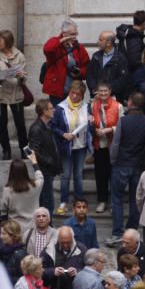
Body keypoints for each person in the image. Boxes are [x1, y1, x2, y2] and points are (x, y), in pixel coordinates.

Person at [110, 92, 145, 239]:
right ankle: (132, 230)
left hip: (121, 163)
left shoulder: (124, 121)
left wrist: (113, 160)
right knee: (136, 200)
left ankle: (117, 232)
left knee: (117, 199)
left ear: (130, 103)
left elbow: (115, 144)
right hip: (138, 165)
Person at [0, 29, 28, 160]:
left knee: (20, 124)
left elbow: (23, 76)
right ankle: (6, 150)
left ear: (7, 40)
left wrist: (22, 76)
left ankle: (24, 149)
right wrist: (13, 73)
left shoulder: (19, 55)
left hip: (16, 94)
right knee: (2, 124)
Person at [52, 81, 90, 217]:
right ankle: (63, 201)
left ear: (82, 96)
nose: (74, 96)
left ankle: (79, 201)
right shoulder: (60, 108)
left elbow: (89, 124)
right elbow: (53, 126)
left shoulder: (86, 107)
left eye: (77, 94)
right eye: (72, 93)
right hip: (66, 146)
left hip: (81, 146)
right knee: (66, 175)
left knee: (79, 175)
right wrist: (63, 134)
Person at [89, 82, 121, 214]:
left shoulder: (118, 106)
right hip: (99, 145)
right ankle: (102, 201)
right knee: (100, 175)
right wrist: (94, 129)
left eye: (105, 91)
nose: (103, 94)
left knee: (114, 175)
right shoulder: (92, 106)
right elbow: (89, 123)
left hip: (113, 145)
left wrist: (109, 130)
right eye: (100, 91)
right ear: (97, 92)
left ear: (110, 91)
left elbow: (121, 126)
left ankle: (114, 202)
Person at [42, 19, 89, 106]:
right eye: (72, 34)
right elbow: (47, 49)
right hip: (57, 91)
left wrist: (79, 72)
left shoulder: (79, 48)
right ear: (64, 34)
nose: (75, 36)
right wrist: (61, 41)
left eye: (76, 33)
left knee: (74, 116)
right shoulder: (55, 43)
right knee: (58, 115)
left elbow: (87, 67)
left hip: (74, 91)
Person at [27, 99, 61, 213]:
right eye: (51, 108)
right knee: (47, 202)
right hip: (44, 170)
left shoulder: (46, 125)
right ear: (44, 111)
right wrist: (49, 161)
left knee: (45, 200)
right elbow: (33, 151)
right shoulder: (37, 128)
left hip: (48, 170)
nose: (54, 110)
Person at [0, 158, 43, 228]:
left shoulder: (7, 190)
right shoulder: (35, 186)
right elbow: (40, 177)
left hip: (14, 228)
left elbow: (3, 210)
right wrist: (34, 161)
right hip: (33, 226)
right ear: (25, 171)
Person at [87, 31, 129, 101]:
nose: (97, 42)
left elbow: (122, 80)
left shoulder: (121, 58)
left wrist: (106, 92)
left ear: (108, 43)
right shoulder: (96, 56)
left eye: (100, 40)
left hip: (113, 99)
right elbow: (90, 75)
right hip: (96, 97)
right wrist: (95, 90)